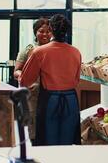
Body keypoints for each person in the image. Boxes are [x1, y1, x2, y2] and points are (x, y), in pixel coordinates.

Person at [19, 14, 82, 146]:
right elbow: (76, 81)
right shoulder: (76, 52)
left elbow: (25, 81)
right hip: (71, 100)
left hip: (50, 101)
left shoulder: (40, 52)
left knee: (47, 144)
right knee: (68, 143)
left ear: (51, 29)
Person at [14, 17, 52, 143]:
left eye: (48, 31)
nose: (45, 34)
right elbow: (16, 71)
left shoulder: (54, 49)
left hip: (50, 93)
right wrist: (25, 79)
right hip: (32, 93)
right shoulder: (28, 49)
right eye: (41, 31)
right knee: (33, 125)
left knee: (48, 124)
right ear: (35, 32)